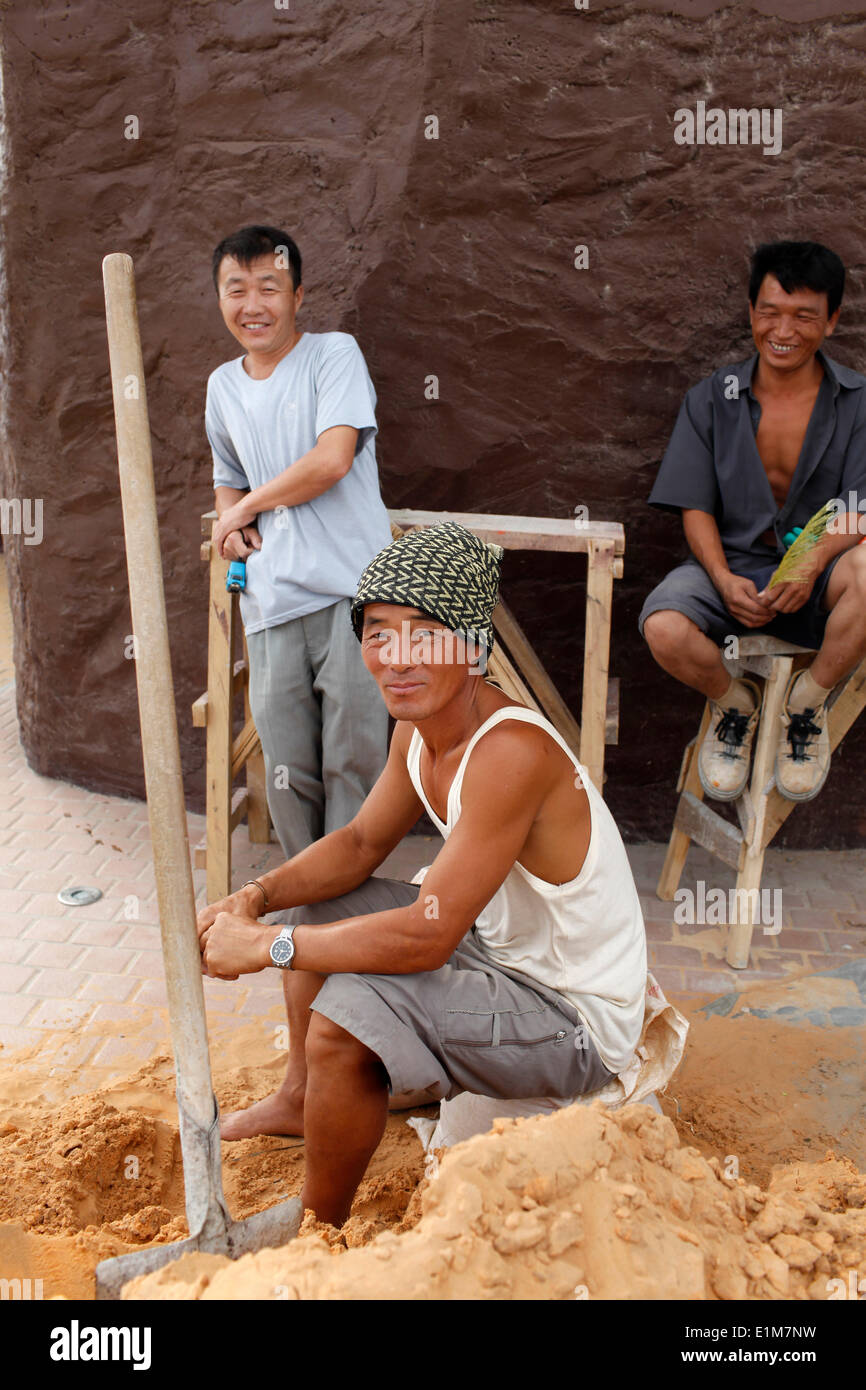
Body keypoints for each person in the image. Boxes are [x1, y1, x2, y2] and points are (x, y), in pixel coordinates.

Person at [196, 523, 647, 1228]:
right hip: (497, 953)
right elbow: (359, 841)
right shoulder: (423, 722)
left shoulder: (509, 753)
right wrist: (254, 898)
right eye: (378, 633)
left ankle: (318, 1231)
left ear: (472, 646)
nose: (397, 658)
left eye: (425, 634)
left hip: (571, 1016)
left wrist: (266, 946)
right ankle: (298, 1097)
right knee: (319, 909)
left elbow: (423, 941)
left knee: (346, 1016)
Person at [640, 241, 866, 802]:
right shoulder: (711, 399)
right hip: (732, 567)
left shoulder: (859, 402)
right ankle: (735, 705)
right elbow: (695, 508)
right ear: (750, 312)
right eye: (770, 311)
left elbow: (863, 507)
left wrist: (810, 563)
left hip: (823, 577)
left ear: (832, 320)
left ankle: (804, 708)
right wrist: (720, 579)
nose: (783, 329)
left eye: (804, 315)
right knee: (663, 626)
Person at [206, 224, 391, 856]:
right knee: (287, 772)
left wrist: (245, 509)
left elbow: (333, 459)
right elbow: (226, 480)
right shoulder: (222, 387)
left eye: (269, 287)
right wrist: (231, 526)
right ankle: (311, 908)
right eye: (236, 289)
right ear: (220, 299)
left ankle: (344, 913)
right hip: (272, 603)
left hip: (353, 595)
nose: (252, 305)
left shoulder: (334, 355)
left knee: (355, 762)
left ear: (298, 295)